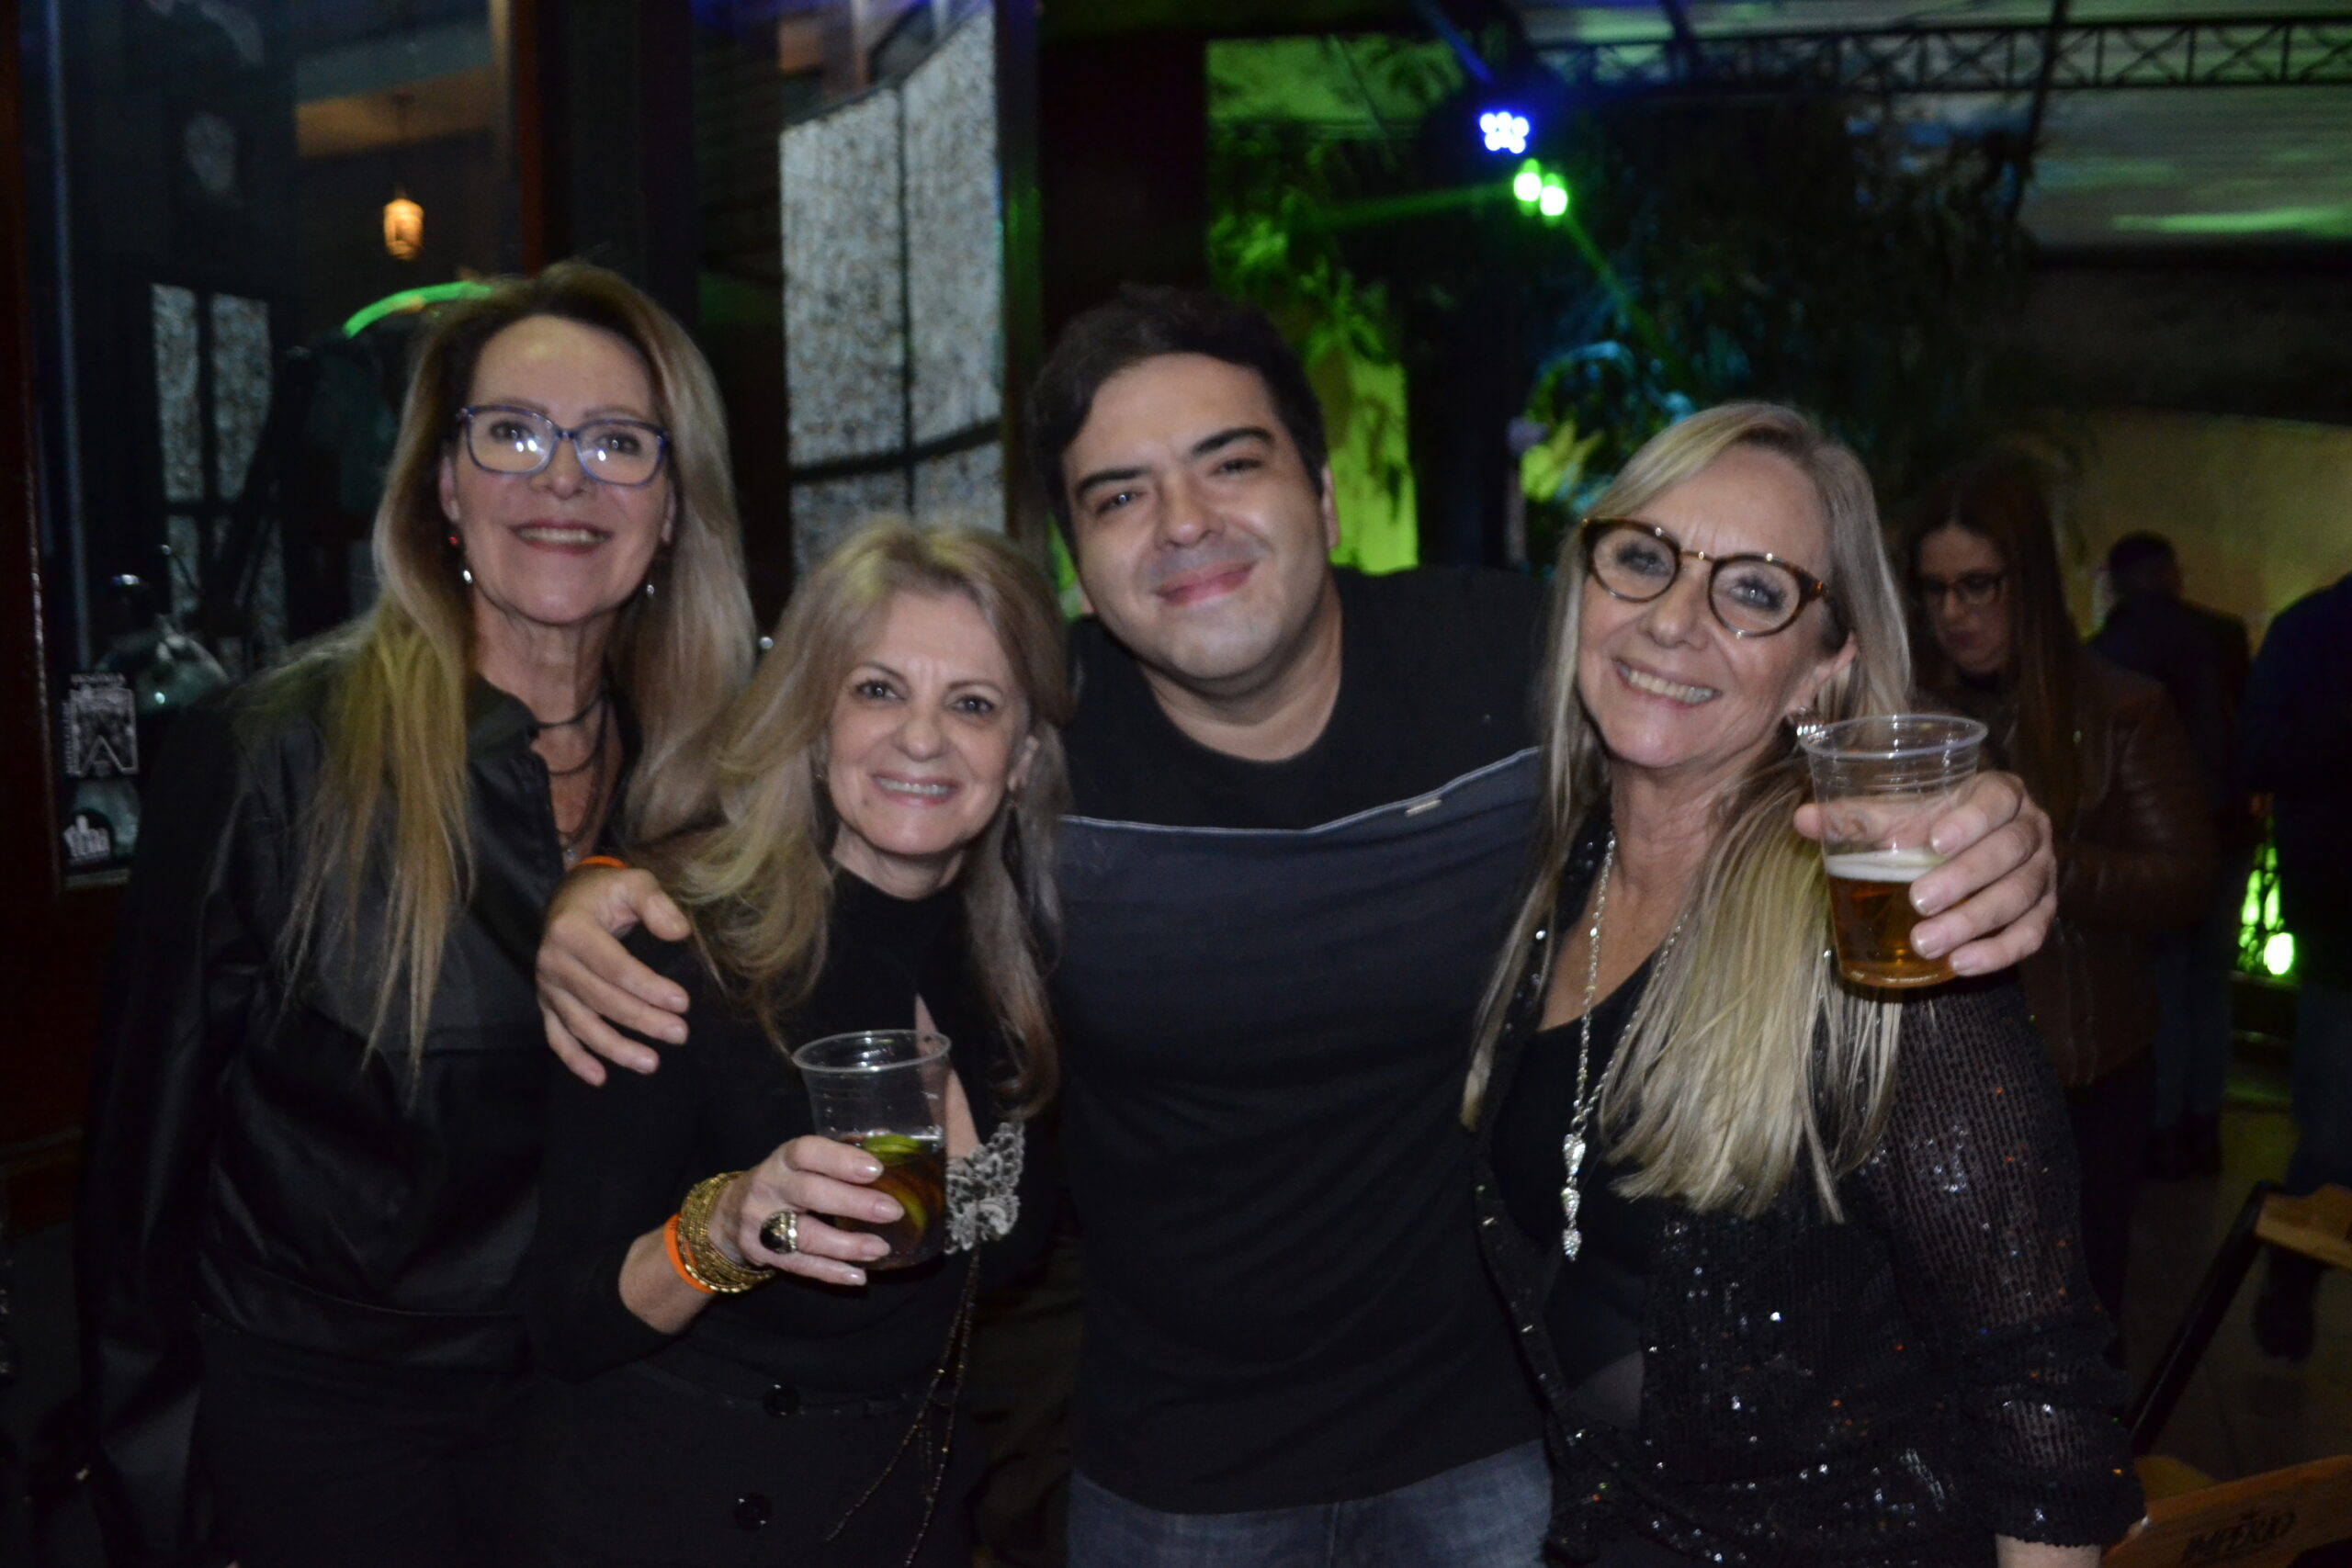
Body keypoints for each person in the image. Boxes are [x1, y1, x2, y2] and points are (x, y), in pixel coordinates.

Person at [534, 288, 2064, 1567]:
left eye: (1230, 463)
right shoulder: (1029, 734)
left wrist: (1985, 810)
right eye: (1119, 495)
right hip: (1173, 1475)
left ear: (1324, 499)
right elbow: (826, 800)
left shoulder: (1519, 676)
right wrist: (606, 879)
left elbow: (1727, 687)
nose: (1183, 523)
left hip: (1495, 1455)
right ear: (1076, 561)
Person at [74, 262, 755, 1568]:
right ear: (444, 484)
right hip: (333, 1431)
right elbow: (138, 1186)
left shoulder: (713, 785)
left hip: (618, 1405)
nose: (565, 479)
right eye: (514, 433)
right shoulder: (278, 755)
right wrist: (154, 1502)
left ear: (673, 505)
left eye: (618, 442)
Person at [1471, 403, 2141, 1567]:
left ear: (1824, 668)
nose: (1671, 619)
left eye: (1752, 590)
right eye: (1643, 559)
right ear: (1585, 587)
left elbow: (2037, 1383)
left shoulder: (1883, 934)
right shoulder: (1556, 873)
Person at [517, 522, 1068, 1563]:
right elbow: (560, 1318)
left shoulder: (1025, 976)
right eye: (878, 690)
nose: (921, 738)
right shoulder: (684, 955)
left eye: (973, 704)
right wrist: (723, 1231)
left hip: (903, 1522)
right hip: (676, 1522)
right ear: (816, 726)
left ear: (1023, 760)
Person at [1901, 461, 2213, 1338]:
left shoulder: (2120, 707)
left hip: (2080, 1075)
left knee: (2069, 1320)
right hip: (1934, 1069)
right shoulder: (1908, 712)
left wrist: (2035, 858)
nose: (1954, 612)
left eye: (1978, 585)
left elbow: (2186, 876)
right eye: (1935, 589)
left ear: (2028, 584)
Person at [2091, 531, 2257, 1179]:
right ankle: (2202, 1124)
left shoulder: (2109, 651)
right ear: (2172, 572)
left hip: (2147, 845)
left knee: (2162, 983)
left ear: (2116, 581)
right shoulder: (2220, 636)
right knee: (2208, 984)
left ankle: (2160, 1129)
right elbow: (2245, 735)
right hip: (2223, 834)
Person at [2240, 570, 2352, 1361]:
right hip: (2344, 921)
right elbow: (2259, 753)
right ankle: (2292, 1274)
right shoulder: (2314, 630)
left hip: (2334, 909)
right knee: (2334, 1130)